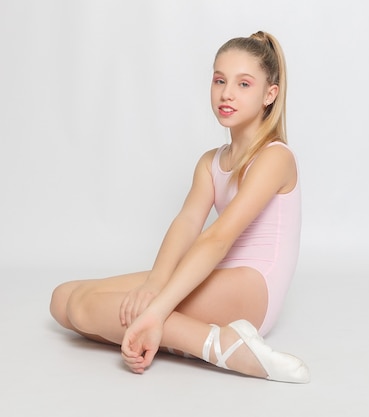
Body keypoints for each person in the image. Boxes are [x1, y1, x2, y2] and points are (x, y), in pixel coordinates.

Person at [49, 30, 309, 383]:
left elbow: (217, 238)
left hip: (253, 290)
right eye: (219, 80)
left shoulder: (275, 157)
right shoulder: (210, 162)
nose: (226, 93)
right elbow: (187, 223)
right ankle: (182, 336)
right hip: (217, 278)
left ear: (270, 94)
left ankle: (223, 348)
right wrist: (156, 283)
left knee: (87, 308)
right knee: (63, 301)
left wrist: (156, 308)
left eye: (244, 84)